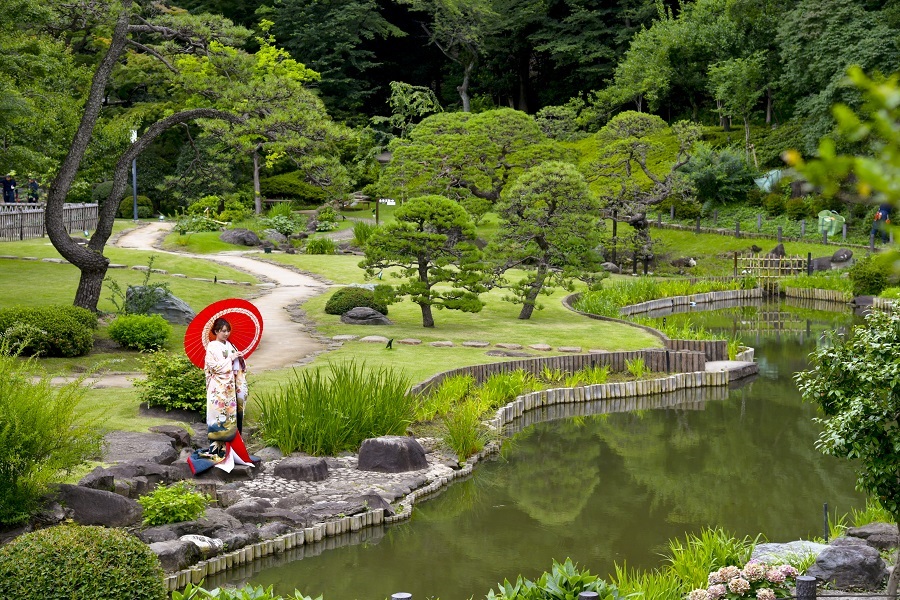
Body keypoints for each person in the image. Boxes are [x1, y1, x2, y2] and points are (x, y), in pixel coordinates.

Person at [203, 317, 248, 458]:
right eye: (223, 331)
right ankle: (217, 451)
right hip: (218, 387)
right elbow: (214, 367)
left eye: (228, 331)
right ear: (216, 331)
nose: (226, 334)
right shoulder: (212, 346)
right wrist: (231, 358)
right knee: (218, 414)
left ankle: (233, 450)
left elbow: (236, 366)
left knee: (232, 413)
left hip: (230, 386)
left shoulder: (230, 345)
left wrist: (239, 359)